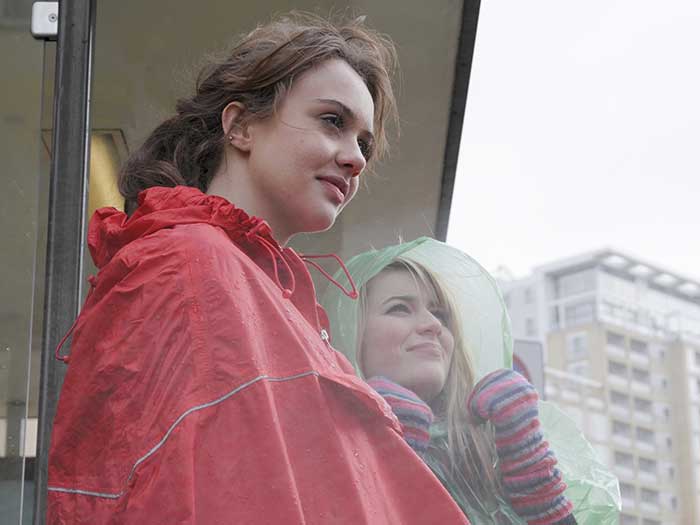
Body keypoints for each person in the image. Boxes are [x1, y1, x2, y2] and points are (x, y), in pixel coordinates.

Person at [47, 15, 470, 524]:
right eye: (333, 121)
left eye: (365, 143)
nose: (357, 158)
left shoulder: (261, 294)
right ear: (241, 125)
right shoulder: (189, 264)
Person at [321, 237, 621, 525]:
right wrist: (396, 456)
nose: (432, 325)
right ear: (350, 331)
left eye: (440, 313)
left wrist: (540, 491)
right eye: (399, 308)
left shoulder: (491, 449)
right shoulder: (317, 444)